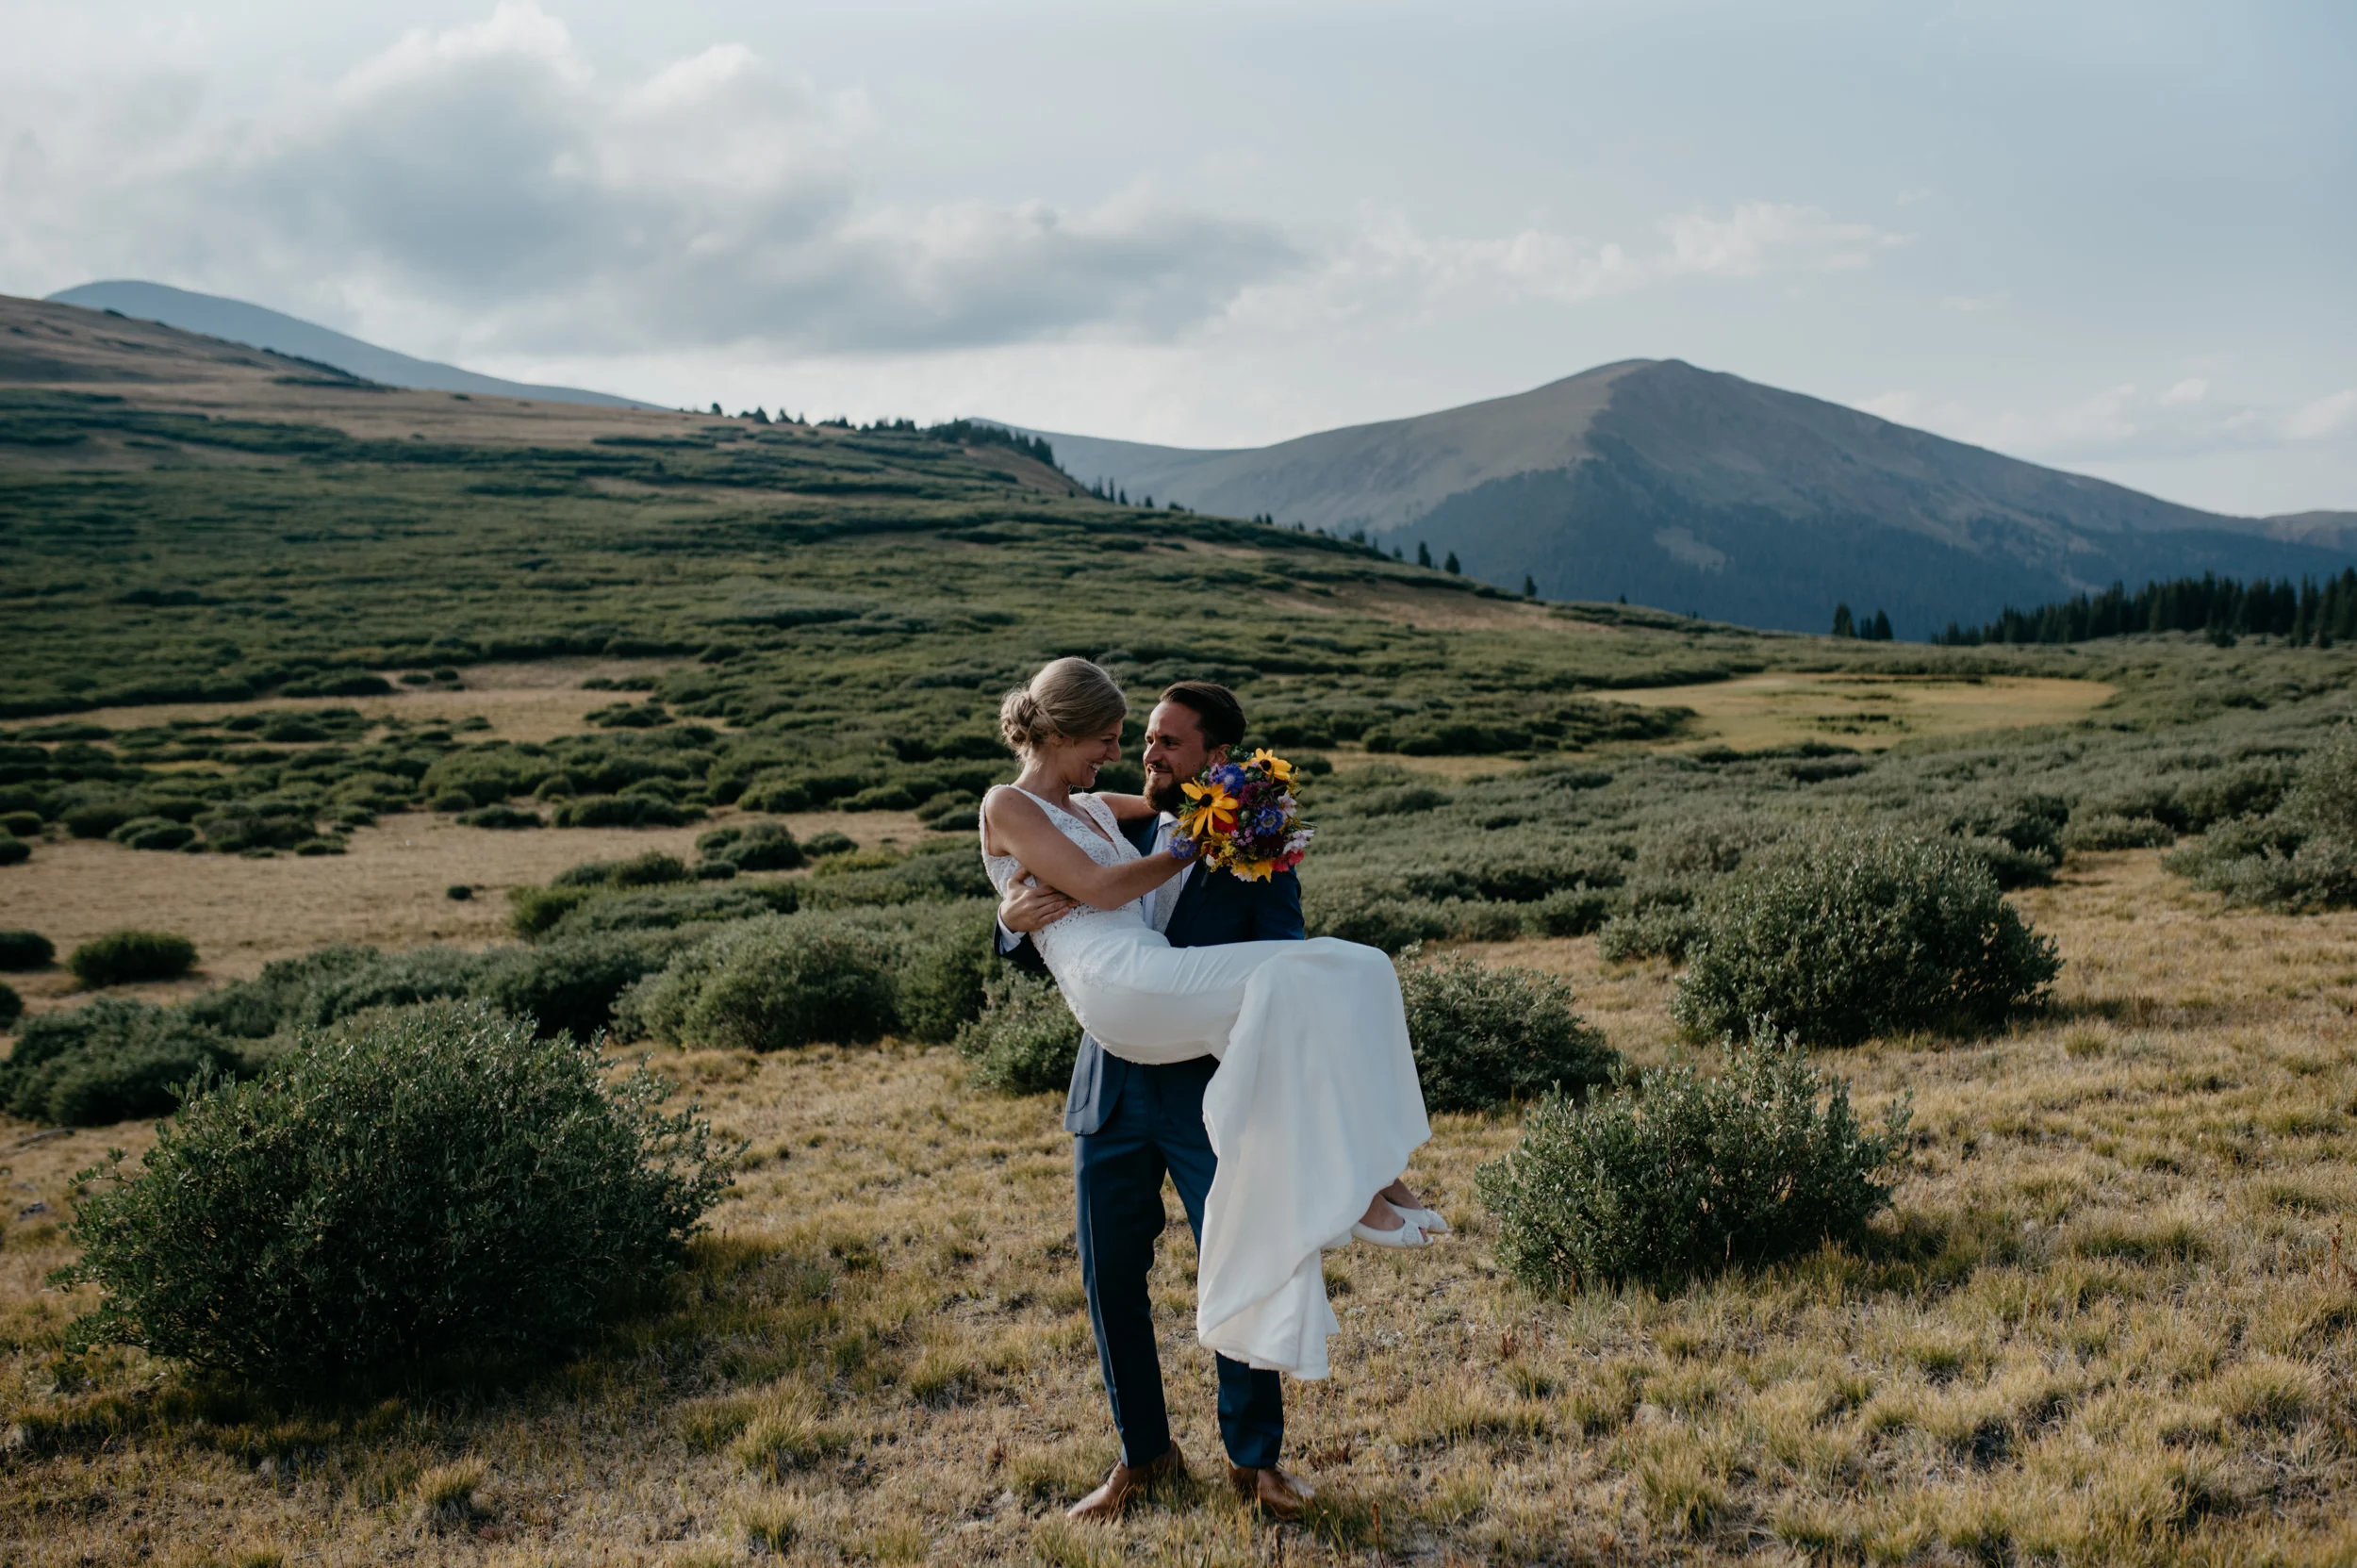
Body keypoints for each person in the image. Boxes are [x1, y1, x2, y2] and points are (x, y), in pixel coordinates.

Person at [980, 659, 1437, 1521]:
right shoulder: (1096, 813)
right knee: (1110, 1278)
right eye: (1137, 737)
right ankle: (1142, 1457)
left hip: (1208, 1085)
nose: (1143, 753)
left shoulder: (1252, 842)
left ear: (1216, 756)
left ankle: (1255, 1462)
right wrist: (1007, 917)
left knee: (1250, 1243)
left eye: (1164, 741)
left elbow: (1283, 958)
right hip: (1111, 1081)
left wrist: (1233, 819)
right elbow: (1046, 887)